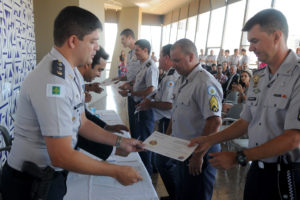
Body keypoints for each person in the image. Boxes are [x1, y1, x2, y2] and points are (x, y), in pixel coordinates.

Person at [1, 6, 144, 200]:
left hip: (47, 179)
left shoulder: (72, 73)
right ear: (73, 41)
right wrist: (115, 171)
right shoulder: (53, 80)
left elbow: (82, 123)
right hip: (29, 184)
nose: (96, 47)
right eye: (93, 41)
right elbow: (61, 156)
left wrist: (120, 141)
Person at [189, 9, 300, 200]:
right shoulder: (259, 78)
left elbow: (293, 138)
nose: (250, 49)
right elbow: (244, 122)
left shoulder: (297, 77)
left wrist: (239, 156)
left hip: (287, 176)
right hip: (257, 170)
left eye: (254, 41)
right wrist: (210, 140)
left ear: (276, 36)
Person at [162, 39, 222, 200]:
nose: (173, 64)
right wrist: (168, 138)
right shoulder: (182, 79)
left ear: (191, 57)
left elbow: (214, 122)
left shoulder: (205, 83)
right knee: (184, 193)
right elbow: (176, 113)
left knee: (198, 194)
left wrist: (198, 156)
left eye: (177, 60)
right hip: (183, 148)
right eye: (172, 60)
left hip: (200, 152)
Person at [119, 39, 159, 175]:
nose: (134, 53)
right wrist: (129, 84)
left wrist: (131, 92)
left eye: (137, 50)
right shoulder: (143, 64)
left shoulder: (151, 66)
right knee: (138, 136)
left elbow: (151, 89)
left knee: (145, 139)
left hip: (144, 108)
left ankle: (147, 170)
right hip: (137, 105)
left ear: (145, 50)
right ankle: (144, 165)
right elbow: (137, 80)